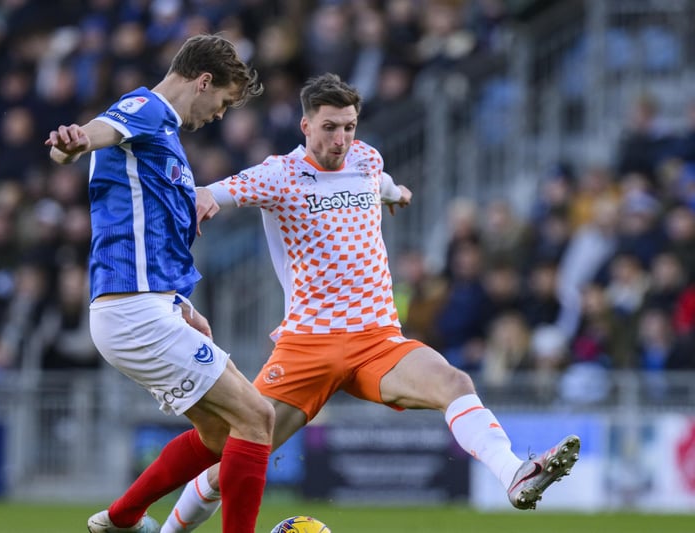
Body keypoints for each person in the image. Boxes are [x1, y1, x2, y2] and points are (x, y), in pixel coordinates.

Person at [161, 73, 580, 533]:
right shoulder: (277, 174)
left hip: (377, 340)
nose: (341, 139)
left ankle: (515, 474)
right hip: (309, 345)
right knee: (228, 465)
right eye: (329, 127)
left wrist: (396, 193)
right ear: (305, 125)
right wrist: (202, 199)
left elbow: (378, 181)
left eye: (349, 126)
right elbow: (215, 191)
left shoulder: (366, 159)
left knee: (454, 382)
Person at [44, 34, 274, 533]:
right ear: (204, 81)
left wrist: (181, 302)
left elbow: (151, 229)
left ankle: (122, 518)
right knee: (258, 418)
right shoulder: (146, 108)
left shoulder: (163, 134)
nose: (220, 114)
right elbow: (98, 132)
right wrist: (74, 142)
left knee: (218, 433)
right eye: (224, 102)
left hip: (147, 307)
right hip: (134, 312)